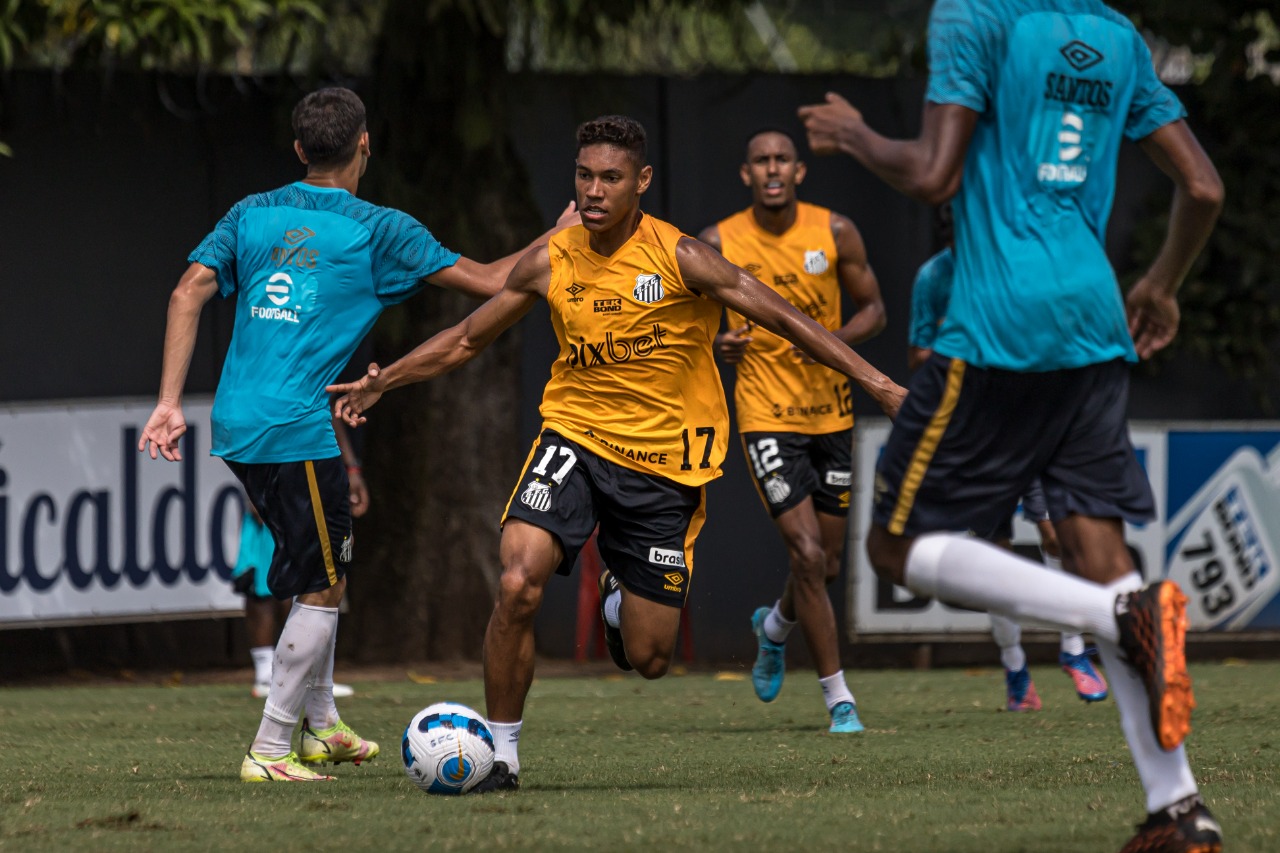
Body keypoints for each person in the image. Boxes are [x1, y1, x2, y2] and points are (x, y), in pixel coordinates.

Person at [329, 115, 906, 793]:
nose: (594, 190)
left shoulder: (682, 255)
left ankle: (614, 603)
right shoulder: (553, 256)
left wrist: (880, 383)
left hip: (665, 467)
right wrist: (385, 381)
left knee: (651, 655)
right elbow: (464, 338)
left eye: (610, 177)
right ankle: (504, 756)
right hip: (573, 437)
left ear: (641, 182)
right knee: (517, 580)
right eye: (584, 175)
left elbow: (783, 314)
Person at [799, 0, 1224, 848]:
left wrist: (854, 137)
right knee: (1102, 557)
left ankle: (1124, 618)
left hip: (999, 324)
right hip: (1095, 321)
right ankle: (1179, 809)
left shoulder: (975, 15)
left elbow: (931, 174)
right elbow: (1204, 186)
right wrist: (1162, 281)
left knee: (894, 547)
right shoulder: (1113, 32)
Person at [138, 86, 577, 783]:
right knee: (322, 583)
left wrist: (167, 401)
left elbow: (186, 290)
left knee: (325, 571)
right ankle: (272, 748)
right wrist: (564, 235)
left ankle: (321, 728)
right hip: (293, 425)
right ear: (365, 144)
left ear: (298, 150)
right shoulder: (380, 228)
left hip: (239, 417)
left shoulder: (251, 211)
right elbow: (493, 279)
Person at [697, 128, 886, 733]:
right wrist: (716, 340)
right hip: (765, 418)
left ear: (799, 171)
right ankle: (840, 700)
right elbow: (686, 323)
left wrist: (833, 343)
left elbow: (874, 309)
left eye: (782, 159)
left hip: (831, 413)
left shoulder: (835, 231)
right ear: (745, 174)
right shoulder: (719, 241)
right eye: (761, 161)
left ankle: (773, 626)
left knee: (825, 566)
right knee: (804, 552)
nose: (772, 169)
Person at [909, 207, 1108, 711]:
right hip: (975, 437)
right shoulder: (933, 277)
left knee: (1055, 533)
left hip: (1027, 423)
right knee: (993, 553)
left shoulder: (1015, 266)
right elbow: (917, 356)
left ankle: (1072, 650)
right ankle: (1016, 669)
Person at [235, 413, 367, 700]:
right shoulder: (274, 379)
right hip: (277, 474)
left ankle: (299, 676)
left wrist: (352, 469)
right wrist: (256, 485)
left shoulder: (316, 379)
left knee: (307, 579)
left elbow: (330, 414)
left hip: (313, 479)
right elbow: (255, 419)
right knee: (263, 583)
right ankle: (265, 674)